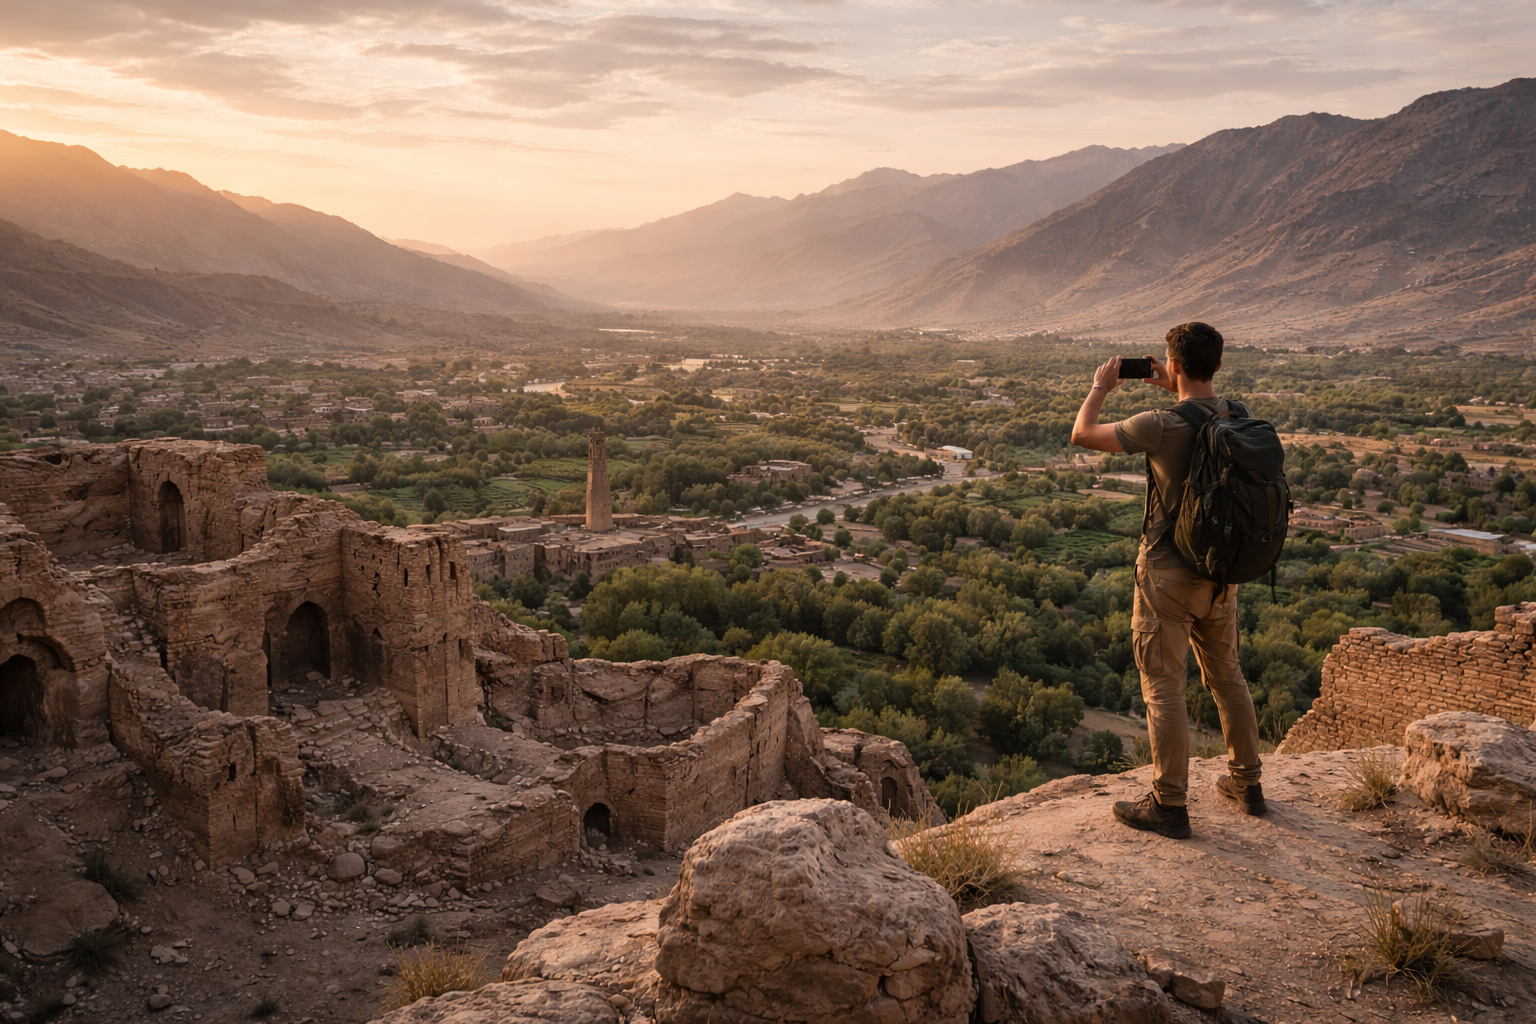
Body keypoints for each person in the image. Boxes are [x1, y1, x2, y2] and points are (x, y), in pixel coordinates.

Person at [1069, 322, 1264, 839]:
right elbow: (1199, 408)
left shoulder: (1160, 424)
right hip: (1222, 573)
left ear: (1173, 364)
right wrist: (1174, 383)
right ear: (1217, 365)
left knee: (1163, 687)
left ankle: (1169, 804)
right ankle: (1248, 783)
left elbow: (1082, 434)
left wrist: (1101, 388)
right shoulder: (1238, 415)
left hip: (1167, 573)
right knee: (1228, 677)